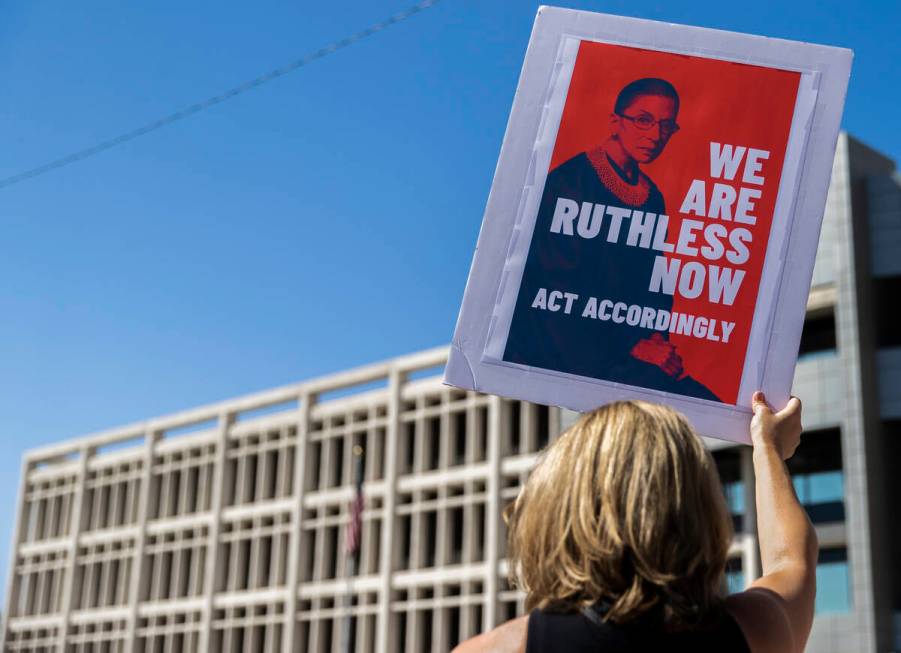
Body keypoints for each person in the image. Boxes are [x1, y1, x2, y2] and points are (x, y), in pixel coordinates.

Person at [452, 392, 816, 653]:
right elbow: (791, 560)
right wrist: (768, 448)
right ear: (698, 509)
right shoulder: (754, 630)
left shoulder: (500, 647)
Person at [503, 78, 719, 401]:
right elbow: (556, 291)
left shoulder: (651, 197)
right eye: (644, 120)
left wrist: (657, 340)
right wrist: (635, 344)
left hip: (628, 353)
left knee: (705, 404)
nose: (655, 136)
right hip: (567, 352)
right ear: (616, 121)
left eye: (666, 126)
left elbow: (653, 286)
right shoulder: (570, 183)